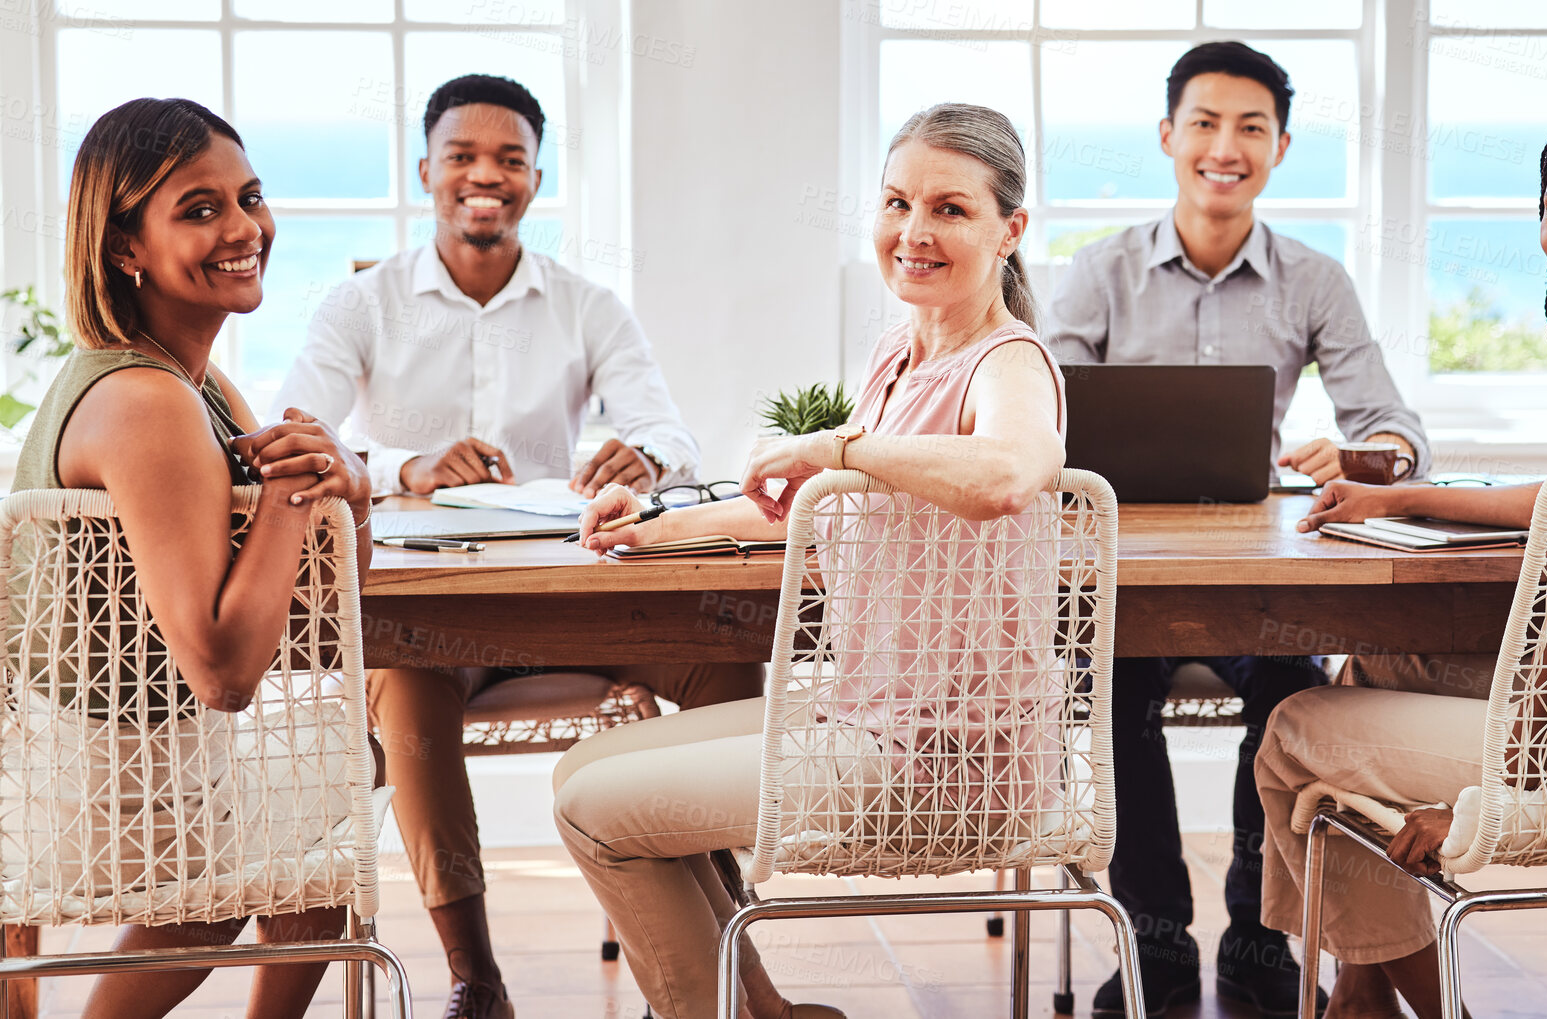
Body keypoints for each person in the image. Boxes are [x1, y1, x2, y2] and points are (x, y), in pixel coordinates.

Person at [550, 102, 1068, 1019]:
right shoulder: (895, 356)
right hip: (865, 716)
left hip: (943, 763)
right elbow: (806, 511)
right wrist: (651, 524)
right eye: (896, 202)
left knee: (602, 816)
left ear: (1010, 229)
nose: (913, 231)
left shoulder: (1008, 361)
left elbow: (1010, 472)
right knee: (580, 779)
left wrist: (836, 447)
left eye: (949, 209)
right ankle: (764, 1012)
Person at [274, 74, 758, 1019]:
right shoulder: (361, 306)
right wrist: (410, 466)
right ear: (426, 172)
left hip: (570, 595)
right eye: (461, 157)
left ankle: (714, 945)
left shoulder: (586, 305)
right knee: (407, 691)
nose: (484, 176)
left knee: (723, 653)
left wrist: (642, 453)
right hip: (438, 616)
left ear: (537, 178)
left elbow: (672, 434)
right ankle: (475, 977)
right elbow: (295, 434)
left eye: (509, 159)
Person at [1259, 91, 1547, 1019]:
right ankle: (1357, 994)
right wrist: (1401, 496)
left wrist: (1496, 800)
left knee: (1291, 733)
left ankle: (1425, 1007)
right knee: (1376, 659)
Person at [1046, 41, 1429, 1018]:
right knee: (1108, 692)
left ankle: (1262, 937)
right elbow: (1042, 427)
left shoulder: (1313, 281)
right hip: (1127, 573)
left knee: (1293, 692)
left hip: (1259, 576)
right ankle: (1156, 941)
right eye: (1206, 123)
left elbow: (1393, 427)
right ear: (1169, 136)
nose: (1227, 145)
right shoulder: (1100, 272)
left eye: (1250, 127)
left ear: (1281, 146)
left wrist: (1367, 458)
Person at [14, 97, 373, 1019]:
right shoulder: (148, 401)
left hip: (122, 756)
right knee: (334, 794)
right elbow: (221, 668)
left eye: (248, 197)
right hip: (116, 782)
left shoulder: (190, 377)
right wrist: (297, 494)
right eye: (199, 208)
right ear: (124, 246)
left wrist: (344, 485)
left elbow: (321, 603)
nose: (244, 228)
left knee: (339, 779)